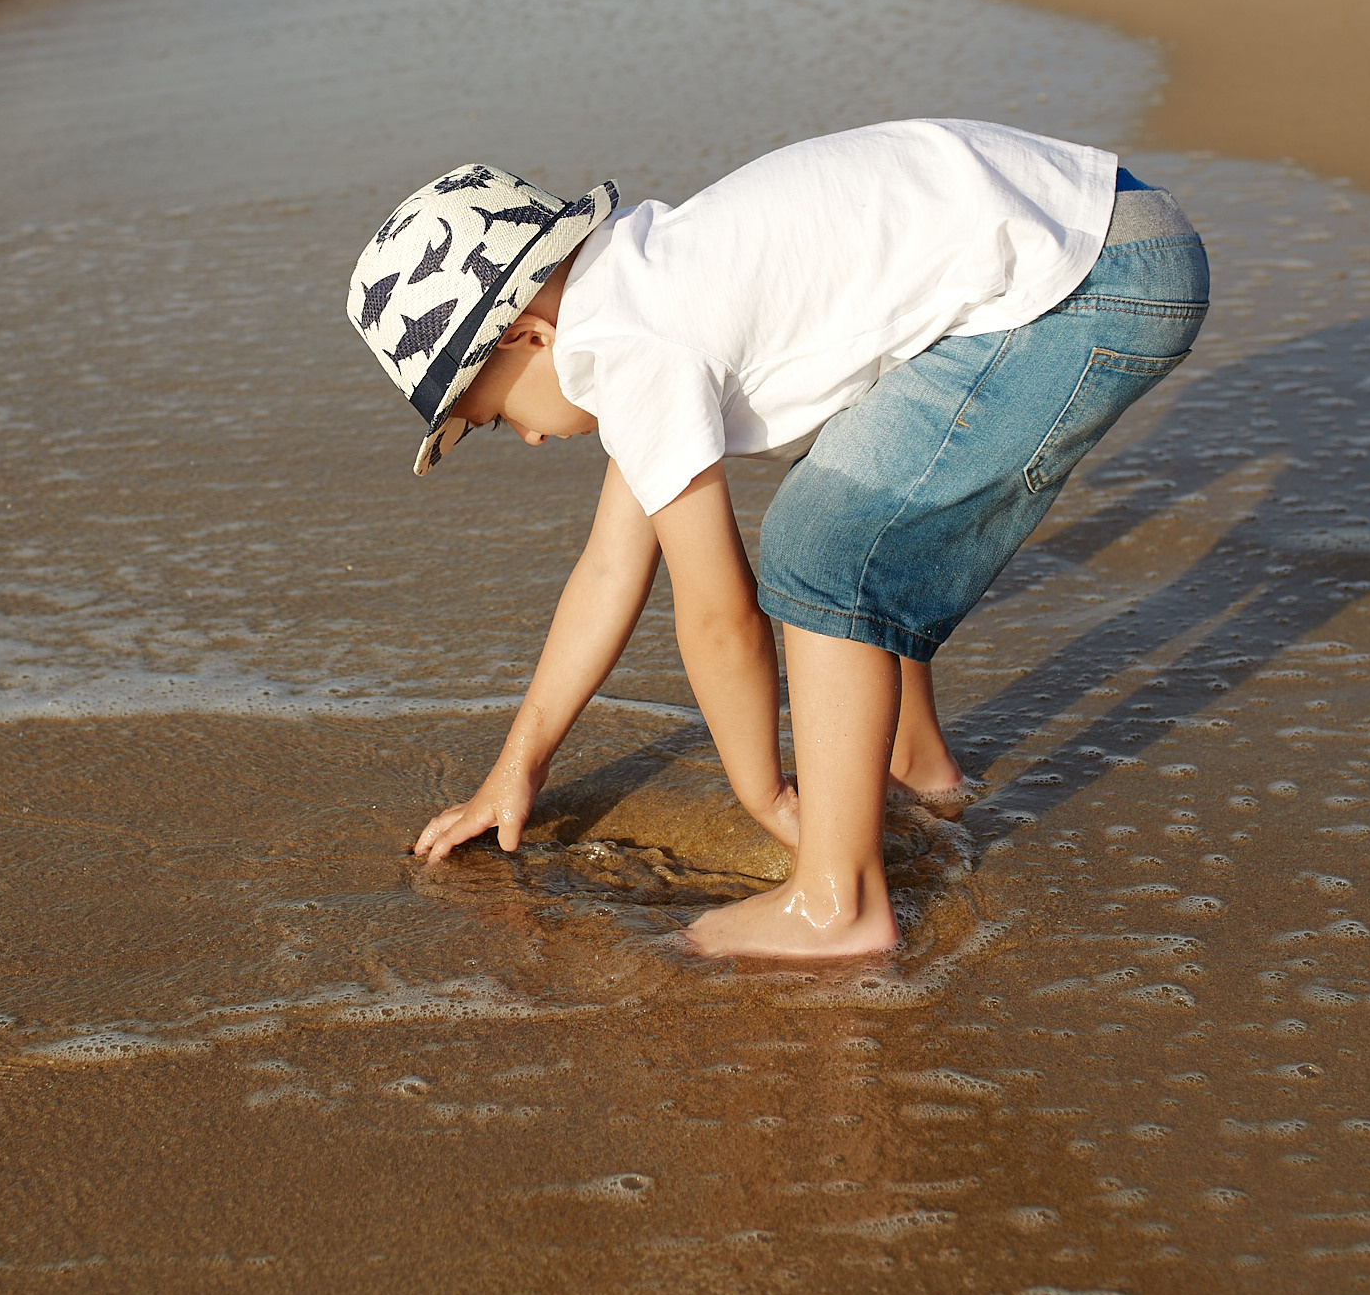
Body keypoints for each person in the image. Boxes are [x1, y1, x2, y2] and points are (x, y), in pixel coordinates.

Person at [345, 120, 1208, 958]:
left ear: (528, 334)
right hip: (1098, 229)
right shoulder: (641, 286)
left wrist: (765, 795)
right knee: (866, 499)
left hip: (1088, 282)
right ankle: (919, 764)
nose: (530, 438)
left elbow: (720, 617)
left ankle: (840, 902)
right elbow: (611, 566)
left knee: (824, 545)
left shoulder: (633, 344)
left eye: (494, 416)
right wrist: (516, 768)